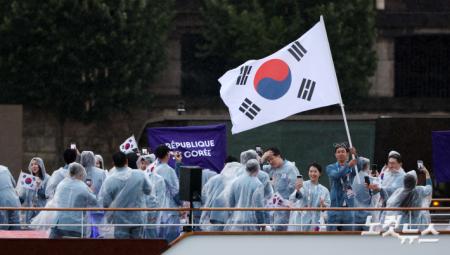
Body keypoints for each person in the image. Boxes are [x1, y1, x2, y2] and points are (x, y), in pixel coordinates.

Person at [99, 151, 151, 239]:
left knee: (122, 248)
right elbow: (148, 190)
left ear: (113, 163)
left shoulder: (109, 181)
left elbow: (105, 202)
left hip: (120, 220)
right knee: (139, 248)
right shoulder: (140, 174)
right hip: (138, 218)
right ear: (126, 161)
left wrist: (110, 216)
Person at [49, 163, 98, 238]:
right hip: (75, 227)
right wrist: (91, 190)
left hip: (57, 224)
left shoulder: (61, 184)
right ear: (81, 174)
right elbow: (95, 202)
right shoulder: (84, 187)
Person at [326, 143, 364, 231]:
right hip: (335, 206)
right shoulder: (330, 167)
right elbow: (336, 176)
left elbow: (360, 166)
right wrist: (348, 165)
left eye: (343, 151)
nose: (340, 153)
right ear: (335, 155)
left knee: (348, 235)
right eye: (338, 152)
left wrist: (355, 154)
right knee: (330, 235)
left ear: (347, 154)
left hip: (348, 206)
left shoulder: (351, 167)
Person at [260, 147, 300, 231]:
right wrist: (262, 159)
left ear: (278, 156)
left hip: (286, 207)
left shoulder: (290, 168)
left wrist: (287, 202)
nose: (270, 162)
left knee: (282, 232)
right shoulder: (270, 168)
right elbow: (255, 171)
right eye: (268, 160)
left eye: (271, 159)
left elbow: (296, 188)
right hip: (273, 207)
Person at [199, 161, 241, 231]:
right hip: (230, 217)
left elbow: (204, 195)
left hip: (212, 215)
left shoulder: (214, 179)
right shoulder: (236, 181)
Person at [224, 159, 265, 231]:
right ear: (258, 169)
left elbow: (230, 203)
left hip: (235, 220)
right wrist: (262, 223)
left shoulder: (235, 182)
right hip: (251, 222)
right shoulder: (258, 184)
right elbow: (259, 207)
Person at [288, 163, 330, 231]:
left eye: (315, 171)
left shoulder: (324, 190)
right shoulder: (303, 185)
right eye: (311, 171)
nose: (313, 174)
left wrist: (323, 204)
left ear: (320, 173)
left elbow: (327, 207)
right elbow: (296, 197)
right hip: (301, 219)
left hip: (316, 220)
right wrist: (298, 189)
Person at [154, 145, 181, 242]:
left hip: (157, 209)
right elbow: (175, 190)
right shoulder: (168, 170)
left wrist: (178, 163)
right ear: (167, 155)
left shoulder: (154, 169)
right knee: (171, 242)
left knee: (159, 241)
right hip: (169, 210)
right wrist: (181, 204)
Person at [18, 157, 50, 224]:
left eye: (36, 164)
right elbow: (22, 196)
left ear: (40, 165)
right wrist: (16, 196)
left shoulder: (47, 178)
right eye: (32, 164)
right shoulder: (28, 179)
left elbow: (48, 195)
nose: (33, 166)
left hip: (41, 211)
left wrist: (39, 187)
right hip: (29, 211)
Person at [0, 165, 21, 230]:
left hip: (2, 200)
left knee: (3, 225)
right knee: (15, 222)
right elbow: (14, 183)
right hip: (13, 198)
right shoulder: (4, 168)